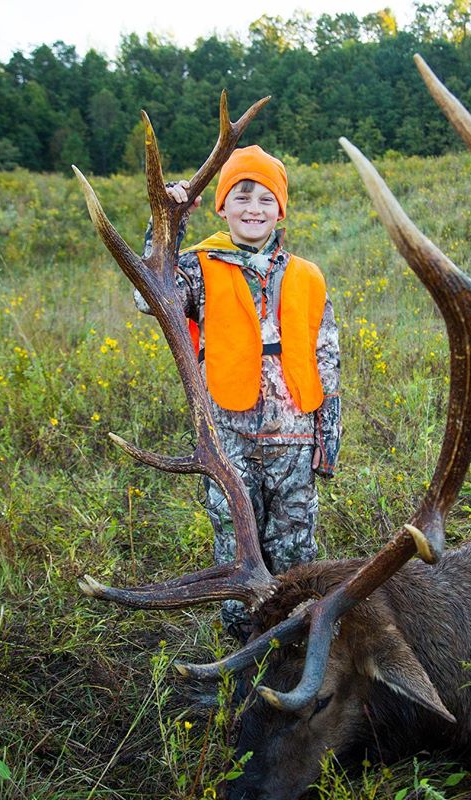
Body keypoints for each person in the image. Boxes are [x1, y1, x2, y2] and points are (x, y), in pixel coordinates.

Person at [135, 145, 341, 641]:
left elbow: (327, 360)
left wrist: (326, 442)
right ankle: (241, 652)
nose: (254, 208)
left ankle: (291, 646)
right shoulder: (197, 267)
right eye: (242, 196)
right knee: (237, 553)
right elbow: (148, 294)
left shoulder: (307, 276)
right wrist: (168, 223)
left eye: (266, 198)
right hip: (229, 444)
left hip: (296, 441)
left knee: (295, 553)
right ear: (223, 206)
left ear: (281, 210)